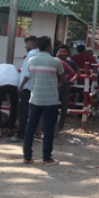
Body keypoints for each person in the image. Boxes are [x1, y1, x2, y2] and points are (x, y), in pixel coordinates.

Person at [22, 36, 65, 166]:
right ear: (49, 47)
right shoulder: (56, 61)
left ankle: (27, 157)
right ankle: (46, 158)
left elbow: (31, 75)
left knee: (30, 128)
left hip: (34, 98)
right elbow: (62, 77)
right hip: (50, 100)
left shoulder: (31, 60)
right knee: (48, 129)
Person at [10, 35, 38, 142]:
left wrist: (21, 86)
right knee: (30, 112)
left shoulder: (30, 56)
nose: (25, 46)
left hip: (27, 87)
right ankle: (28, 133)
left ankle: (21, 134)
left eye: (27, 44)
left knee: (23, 112)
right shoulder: (37, 55)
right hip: (33, 87)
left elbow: (27, 73)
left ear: (31, 44)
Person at [0, 62, 20, 138]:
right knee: (14, 107)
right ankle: (10, 130)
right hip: (14, 84)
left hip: (0, 84)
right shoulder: (14, 67)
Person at [55, 44, 79, 133]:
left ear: (68, 52)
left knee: (64, 108)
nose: (62, 53)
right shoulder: (54, 61)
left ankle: (60, 126)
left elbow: (78, 73)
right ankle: (53, 125)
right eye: (60, 51)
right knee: (52, 107)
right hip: (54, 88)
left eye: (64, 52)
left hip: (65, 88)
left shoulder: (70, 62)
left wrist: (70, 80)